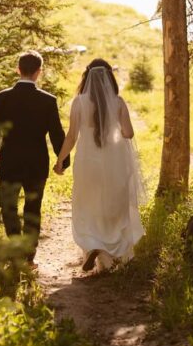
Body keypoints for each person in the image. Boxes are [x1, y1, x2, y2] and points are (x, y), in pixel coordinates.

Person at [54, 58, 145, 272]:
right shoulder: (118, 102)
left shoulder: (79, 102)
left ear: (86, 77)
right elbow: (129, 133)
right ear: (109, 78)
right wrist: (115, 128)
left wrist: (60, 161)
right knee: (113, 204)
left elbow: (71, 137)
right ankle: (108, 251)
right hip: (113, 163)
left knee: (88, 203)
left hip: (87, 163)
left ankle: (94, 245)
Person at [0, 50, 68, 266]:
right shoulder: (48, 101)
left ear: (17, 69)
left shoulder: (1, 98)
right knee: (33, 209)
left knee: (9, 208)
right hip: (36, 162)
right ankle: (29, 256)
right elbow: (56, 133)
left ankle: (15, 253)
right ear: (39, 72)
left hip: (10, 161)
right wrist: (63, 161)